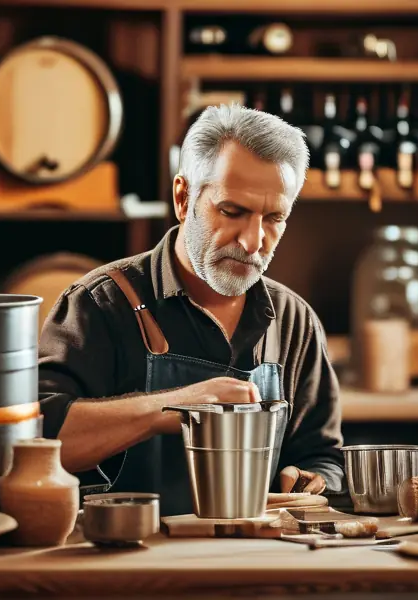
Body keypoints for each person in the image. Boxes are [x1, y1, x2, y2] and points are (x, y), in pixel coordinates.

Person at [37, 103, 345, 516]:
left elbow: (323, 456)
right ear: (183, 198)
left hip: (256, 562)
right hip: (129, 563)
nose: (254, 241)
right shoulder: (99, 303)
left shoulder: (295, 321)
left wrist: (310, 478)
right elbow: (35, 445)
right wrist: (175, 407)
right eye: (232, 211)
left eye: (274, 218)